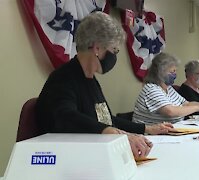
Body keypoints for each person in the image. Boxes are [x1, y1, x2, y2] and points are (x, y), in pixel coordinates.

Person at [35, 12, 169, 158]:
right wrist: (112, 132)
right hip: (64, 158)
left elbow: (105, 119)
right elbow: (65, 117)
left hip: (89, 154)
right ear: (97, 48)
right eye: (114, 50)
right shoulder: (63, 78)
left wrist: (146, 129)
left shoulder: (91, 80)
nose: (114, 56)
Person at [132, 53, 199, 125]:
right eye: (172, 72)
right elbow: (170, 111)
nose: (175, 75)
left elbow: (185, 104)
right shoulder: (151, 89)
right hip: (152, 136)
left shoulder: (169, 89)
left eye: (175, 71)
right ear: (160, 72)